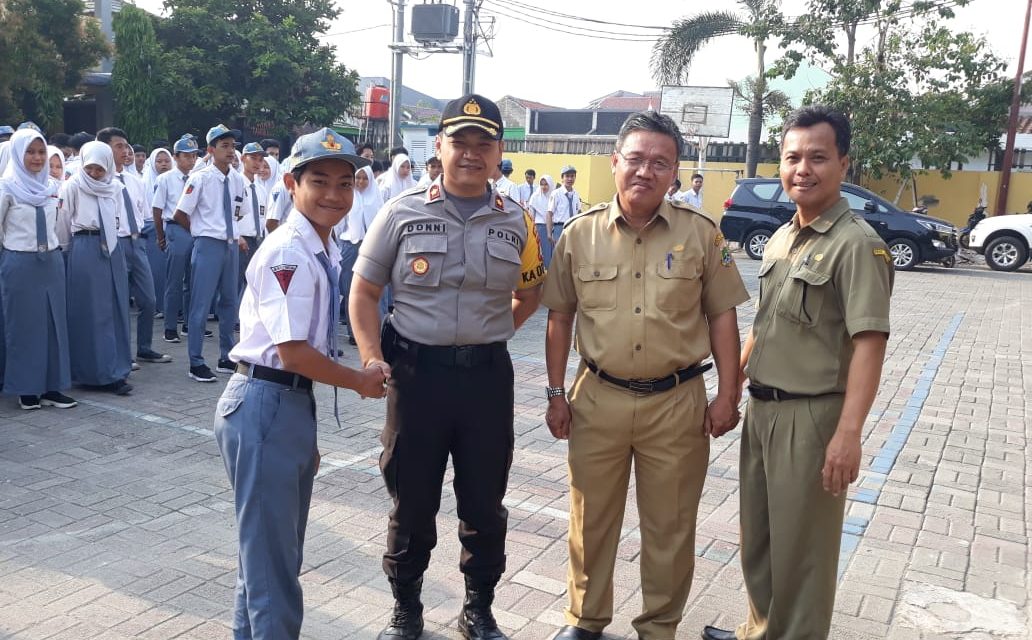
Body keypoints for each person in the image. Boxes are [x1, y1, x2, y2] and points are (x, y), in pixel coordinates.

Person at [541, 111, 749, 640]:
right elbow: (559, 317)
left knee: (671, 528)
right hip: (597, 398)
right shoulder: (578, 234)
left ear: (674, 173)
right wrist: (555, 393)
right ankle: (585, 620)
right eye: (635, 159)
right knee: (590, 521)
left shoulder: (703, 235)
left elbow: (723, 317)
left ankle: (658, 628)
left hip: (676, 402)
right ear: (614, 163)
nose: (645, 171)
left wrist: (728, 393)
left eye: (660, 162)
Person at [350, 94, 544, 640]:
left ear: (498, 152)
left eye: (484, 144)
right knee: (411, 496)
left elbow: (530, 294)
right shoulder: (401, 211)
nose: (471, 154)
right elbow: (364, 292)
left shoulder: (518, 220)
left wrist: (492, 329)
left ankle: (477, 608)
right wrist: (370, 355)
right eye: (460, 142)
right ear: (439, 147)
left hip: (486, 378)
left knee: (485, 497)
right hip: (417, 377)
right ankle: (405, 607)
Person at [701, 106, 893, 640]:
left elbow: (869, 345)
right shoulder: (784, 237)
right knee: (760, 541)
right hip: (763, 411)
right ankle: (759, 631)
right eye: (792, 158)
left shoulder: (856, 245)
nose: (802, 169)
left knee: (803, 553)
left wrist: (848, 435)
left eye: (817, 157)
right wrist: (730, 388)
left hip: (813, 418)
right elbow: (763, 325)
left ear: (843, 164)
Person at [214, 127, 389, 639]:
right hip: (265, 401)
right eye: (319, 181)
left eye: (344, 183)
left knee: (266, 561)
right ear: (292, 184)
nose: (334, 194)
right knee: (273, 570)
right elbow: (293, 352)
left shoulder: (321, 244)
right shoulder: (289, 251)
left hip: (283, 404)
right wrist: (359, 380)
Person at [0, 128, 77, 410]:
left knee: (54, 325)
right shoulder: (6, 187)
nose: (36, 157)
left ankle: (53, 386)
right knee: (24, 327)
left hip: (51, 262)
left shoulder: (51, 187)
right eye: (30, 152)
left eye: (41, 151)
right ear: (19, 155)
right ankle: (27, 388)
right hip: (20, 262)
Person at [173, 124, 251, 383]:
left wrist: (234, 235)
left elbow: (239, 212)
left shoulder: (239, 180)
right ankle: (196, 362)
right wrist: (199, 232)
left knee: (229, 302)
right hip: (207, 244)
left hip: (229, 244)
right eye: (224, 146)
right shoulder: (201, 178)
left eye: (233, 146)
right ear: (211, 150)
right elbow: (180, 214)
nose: (231, 151)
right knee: (201, 304)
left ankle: (226, 356)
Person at [58, 141, 133, 395]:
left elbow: (117, 219)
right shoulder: (72, 186)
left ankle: (117, 367)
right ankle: (94, 372)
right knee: (91, 312)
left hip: (112, 249)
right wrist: (67, 253)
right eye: (90, 168)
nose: (94, 173)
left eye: (99, 169)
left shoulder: (115, 187)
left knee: (115, 308)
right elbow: (63, 222)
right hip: (85, 247)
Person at [98, 127, 171, 367]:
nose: (125, 151)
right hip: (114, 242)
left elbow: (143, 211)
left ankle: (145, 347)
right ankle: (122, 353)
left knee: (148, 298)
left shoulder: (134, 180)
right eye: (118, 146)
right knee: (118, 302)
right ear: (104, 149)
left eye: (125, 146)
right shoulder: (100, 181)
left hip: (136, 240)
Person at [152, 136, 200, 344]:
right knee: (174, 279)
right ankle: (170, 327)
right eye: (186, 156)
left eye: (194, 156)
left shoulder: (198, 177)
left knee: (193, 280)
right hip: (175, 228)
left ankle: (190, 323)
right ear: (176, 157)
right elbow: (157, 209)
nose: (191, 161)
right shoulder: (165, 179)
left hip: (195, 228)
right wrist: (160, 236)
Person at [338, 164, 383, 344]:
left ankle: (374, 332)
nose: (361, 182)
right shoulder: (348, 197)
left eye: (365, 178)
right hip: (350, 245)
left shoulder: (376, 197)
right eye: (358, 178)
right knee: (350, 291)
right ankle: (353, 332)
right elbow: (339, 224)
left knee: (372, 290)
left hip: (372, 246)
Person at [141, 147, 174, 319]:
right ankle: (159, 306)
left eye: (166, 161)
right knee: (158, 270)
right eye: (159, 161)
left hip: (173, 228)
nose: (163, 164)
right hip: (152, 228)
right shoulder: (145, 182)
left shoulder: (176, 180)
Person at [237, 142, 268, 297]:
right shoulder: (236, 183)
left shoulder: (261, 189)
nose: (258, 163)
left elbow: (263, 218)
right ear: (243, 158)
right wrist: (237, 236)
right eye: (253, 158)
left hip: (258, 239)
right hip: (240, 239)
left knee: (254, 283)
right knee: (236, 283)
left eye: (261, 159)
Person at [546, 165, 580, 249]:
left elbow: (579, 212)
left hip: (573, 229)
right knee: (559, 256)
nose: (570, 179)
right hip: (560, 228)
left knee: (572, 255)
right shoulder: (556, 194)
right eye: (567, 176)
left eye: (572, 176)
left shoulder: (576, 194)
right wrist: (549, 233)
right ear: (562, 178)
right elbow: (549, 214)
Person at [528, 174, 555, 266]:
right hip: (540, 228)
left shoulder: (554, 196)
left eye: (546, 184)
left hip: (554, 227)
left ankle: (552, 274)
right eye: (542, 184)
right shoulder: (535, 197)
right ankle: (543, 273)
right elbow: (531, 215)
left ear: (550, 184)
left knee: (553, 252)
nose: (544, 187)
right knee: (543, 252)